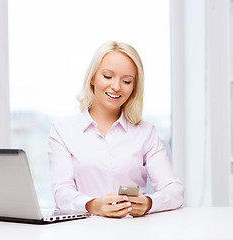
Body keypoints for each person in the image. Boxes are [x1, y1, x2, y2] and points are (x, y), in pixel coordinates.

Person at [48, 41, 184, 218]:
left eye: (126, 81)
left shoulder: (146, 132)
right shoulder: (63, 131)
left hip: (133, 230)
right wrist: (92, 205)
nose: (116, 86)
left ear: (134, 87)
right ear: (93, 77)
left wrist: (149, 203)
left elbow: (174, 190)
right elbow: (61, 192)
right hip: (83, 230)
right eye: (107, 76)